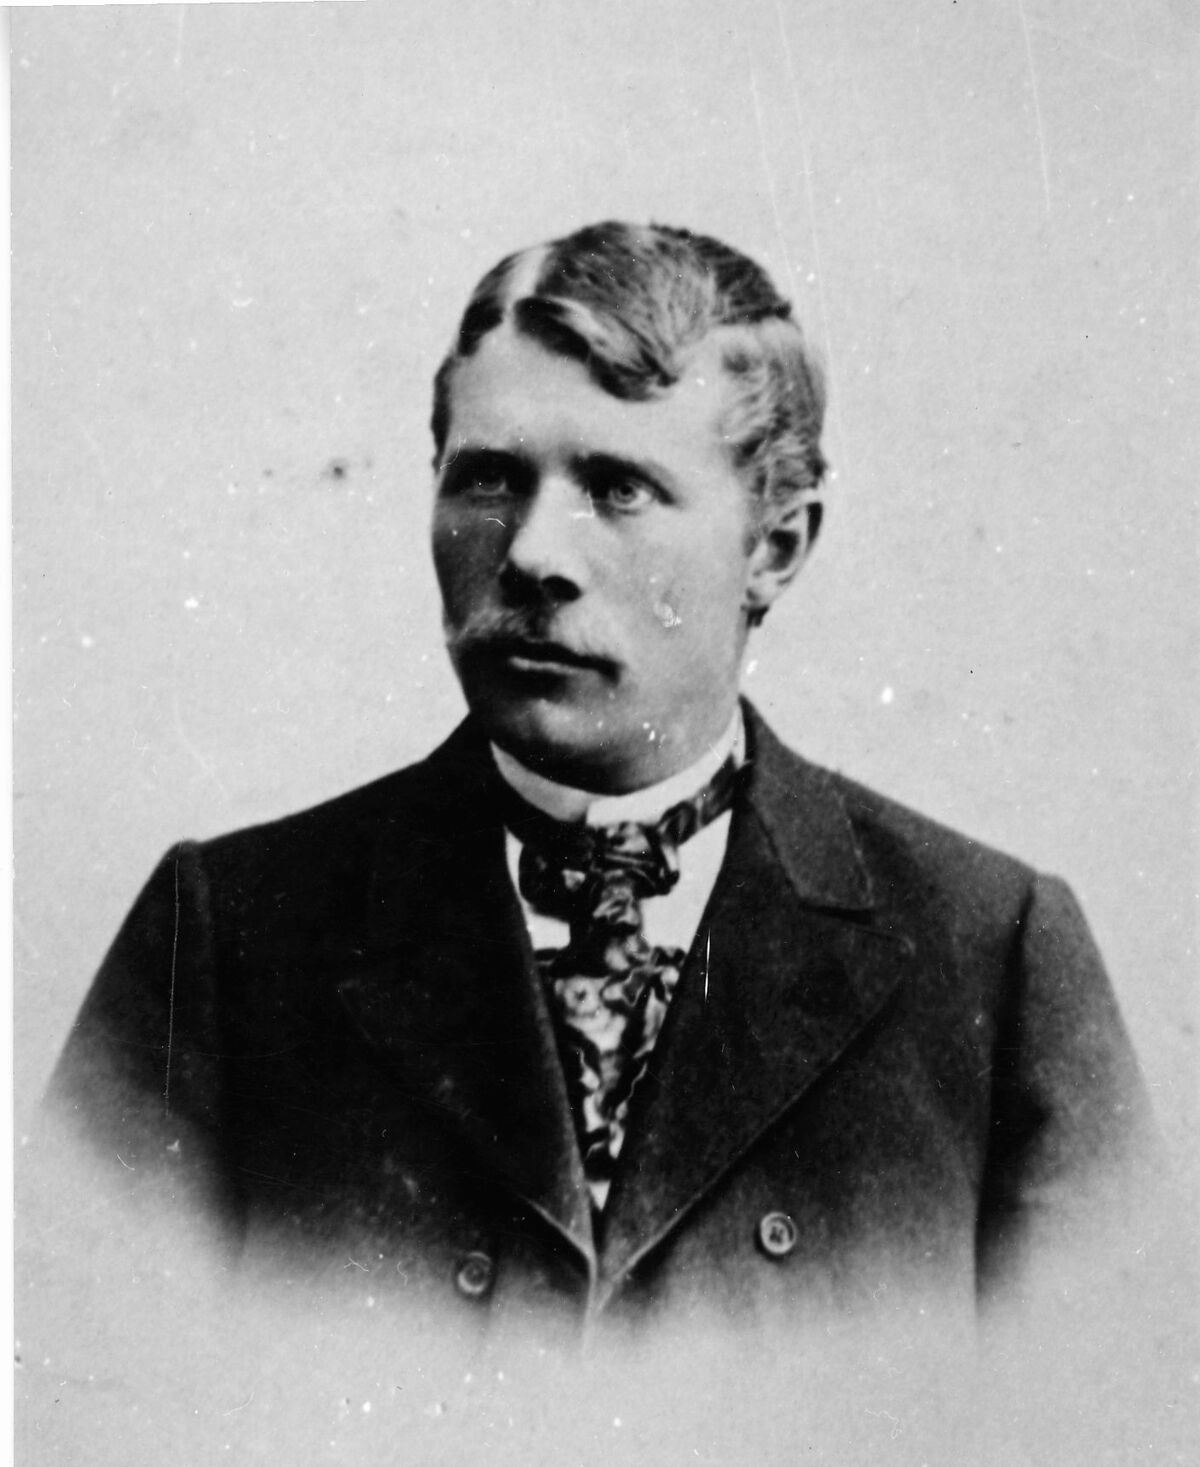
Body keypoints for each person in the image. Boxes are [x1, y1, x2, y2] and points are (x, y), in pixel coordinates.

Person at [49, 221, 1154, 1338]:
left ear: (775, 547)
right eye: (488, 479)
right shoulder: (225, 938)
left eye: (618, 489)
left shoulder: (993, 954)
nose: (533, 553)